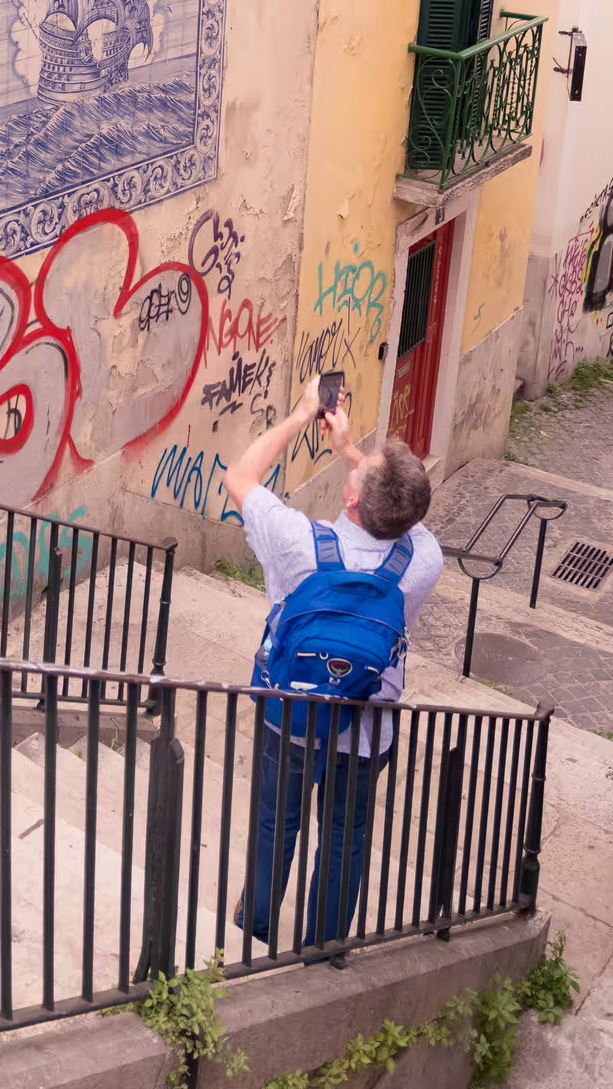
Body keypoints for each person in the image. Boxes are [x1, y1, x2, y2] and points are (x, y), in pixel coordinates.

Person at [221, 379, 443, 955]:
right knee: (345, 837)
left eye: (363, 470)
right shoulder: (422, 560)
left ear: (350, 500)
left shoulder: (299, 543)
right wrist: (350, 452)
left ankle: (254, 930)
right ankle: (323, 948)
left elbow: (239, 477)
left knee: (275, 821)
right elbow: (404, 511)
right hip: (366, 729)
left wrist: (301, 416)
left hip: (292, 713)